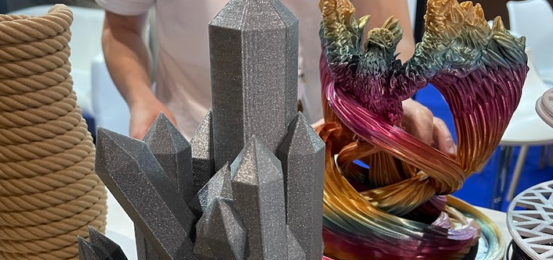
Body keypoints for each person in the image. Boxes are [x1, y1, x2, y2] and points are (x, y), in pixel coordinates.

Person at [96, 0, 454, 155]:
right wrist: (141, 99)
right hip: (195, 147)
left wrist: (389, 100)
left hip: (333, 150)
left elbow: (389, 33)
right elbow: (121, 27)